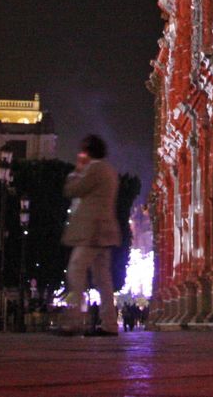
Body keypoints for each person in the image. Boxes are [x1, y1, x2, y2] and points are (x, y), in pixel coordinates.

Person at [59, 134, 120, 336]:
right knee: (103, 278)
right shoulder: (109, 170)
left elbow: (72, 190)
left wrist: (76, 171)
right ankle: (109, 324)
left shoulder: (93, 169)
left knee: (75, 270)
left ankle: (75, 320)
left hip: (92, 231)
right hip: (105, 231)